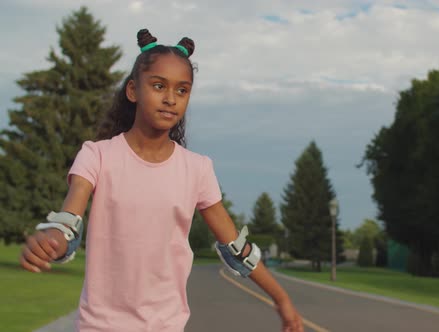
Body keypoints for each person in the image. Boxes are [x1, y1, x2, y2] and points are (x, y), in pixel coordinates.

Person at [19, 29, 304, 332]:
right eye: (158, 86)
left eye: (182, 91)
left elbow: (236, 248)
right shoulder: (97, 155)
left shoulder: (197, 169)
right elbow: (69, 221)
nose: (170, 99)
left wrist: (282, 299)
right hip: (99, 326)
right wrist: (53, 239)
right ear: (133, 90)